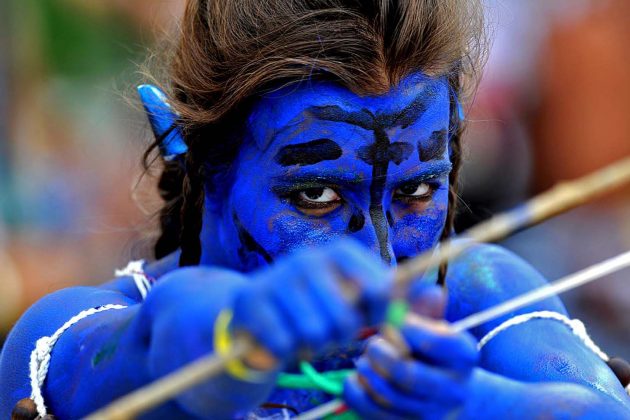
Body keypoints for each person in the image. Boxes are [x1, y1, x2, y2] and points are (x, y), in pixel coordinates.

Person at [1, 1, 629, 418]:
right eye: (316, 197)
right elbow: (154, 342)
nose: (380, 264)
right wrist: (239, 329)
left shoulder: (475, 298)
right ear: (189, 153)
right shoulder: (79, 327)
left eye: (416, 193)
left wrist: (475, 403)